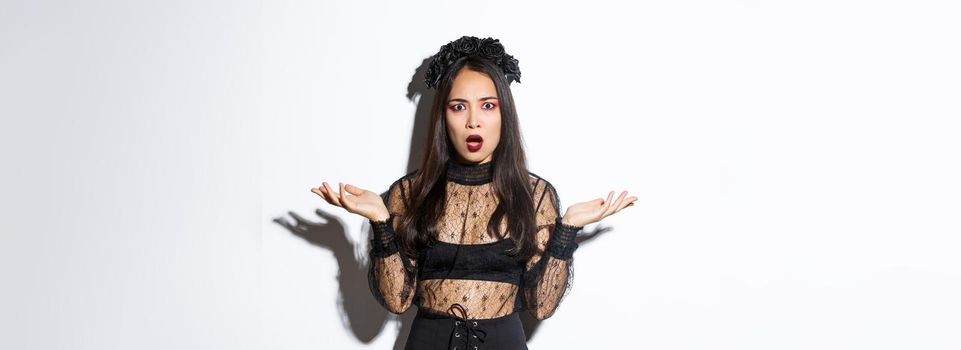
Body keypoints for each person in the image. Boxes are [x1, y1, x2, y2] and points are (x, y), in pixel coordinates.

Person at [311, 35, 636, 350]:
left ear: (503, 114)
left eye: (488, 105)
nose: (473, 121)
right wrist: (381, 222)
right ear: (443, 116)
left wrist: (567, 230)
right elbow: (397, 301)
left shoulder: (534, 195)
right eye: (458, 107)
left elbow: (542, 307)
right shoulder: (410, 193)